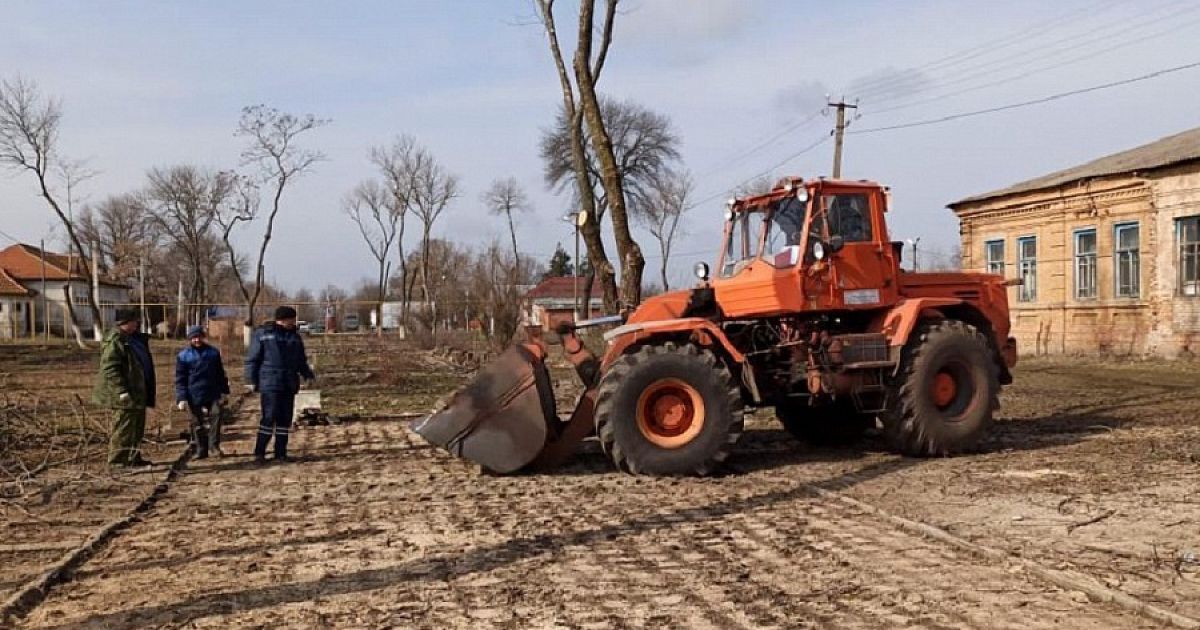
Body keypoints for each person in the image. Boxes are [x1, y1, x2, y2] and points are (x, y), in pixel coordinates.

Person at [245, 306, 315, 464]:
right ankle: (260, 452)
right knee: (269, 417)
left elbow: (300, 360)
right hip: (270, 382)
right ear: (283, 319)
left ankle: (280, 453)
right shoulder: (263, 334)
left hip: (289, 382)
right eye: (291, 319)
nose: (293, 322)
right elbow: (252, 359)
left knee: (285, 419)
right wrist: (250, 380)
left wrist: (307, 374)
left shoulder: (295, 337)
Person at [94, 308, 156, 467]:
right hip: (125, 394)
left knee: (137, 427)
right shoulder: (116, 341)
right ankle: (117, 461)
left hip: (138, 391)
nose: (137, 323)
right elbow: (109, 368)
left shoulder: (134, 338)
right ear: (125, 323)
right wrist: (121, 390)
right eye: (134, 321)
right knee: (124, 427)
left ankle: (133, 457)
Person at [175, 325, 230, 459]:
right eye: (193, 338)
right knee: (197, 422)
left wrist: (224, 392)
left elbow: (220, 374)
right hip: (194, 394)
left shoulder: (213, 353)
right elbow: (180, 378)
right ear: (190, 339)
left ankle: (214, 447)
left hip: (213, 392)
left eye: (198, 337)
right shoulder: (183, 356)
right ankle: (201, 449)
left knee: (216, 416)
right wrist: (181, 398)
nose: (196, 340)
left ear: (203, 337)